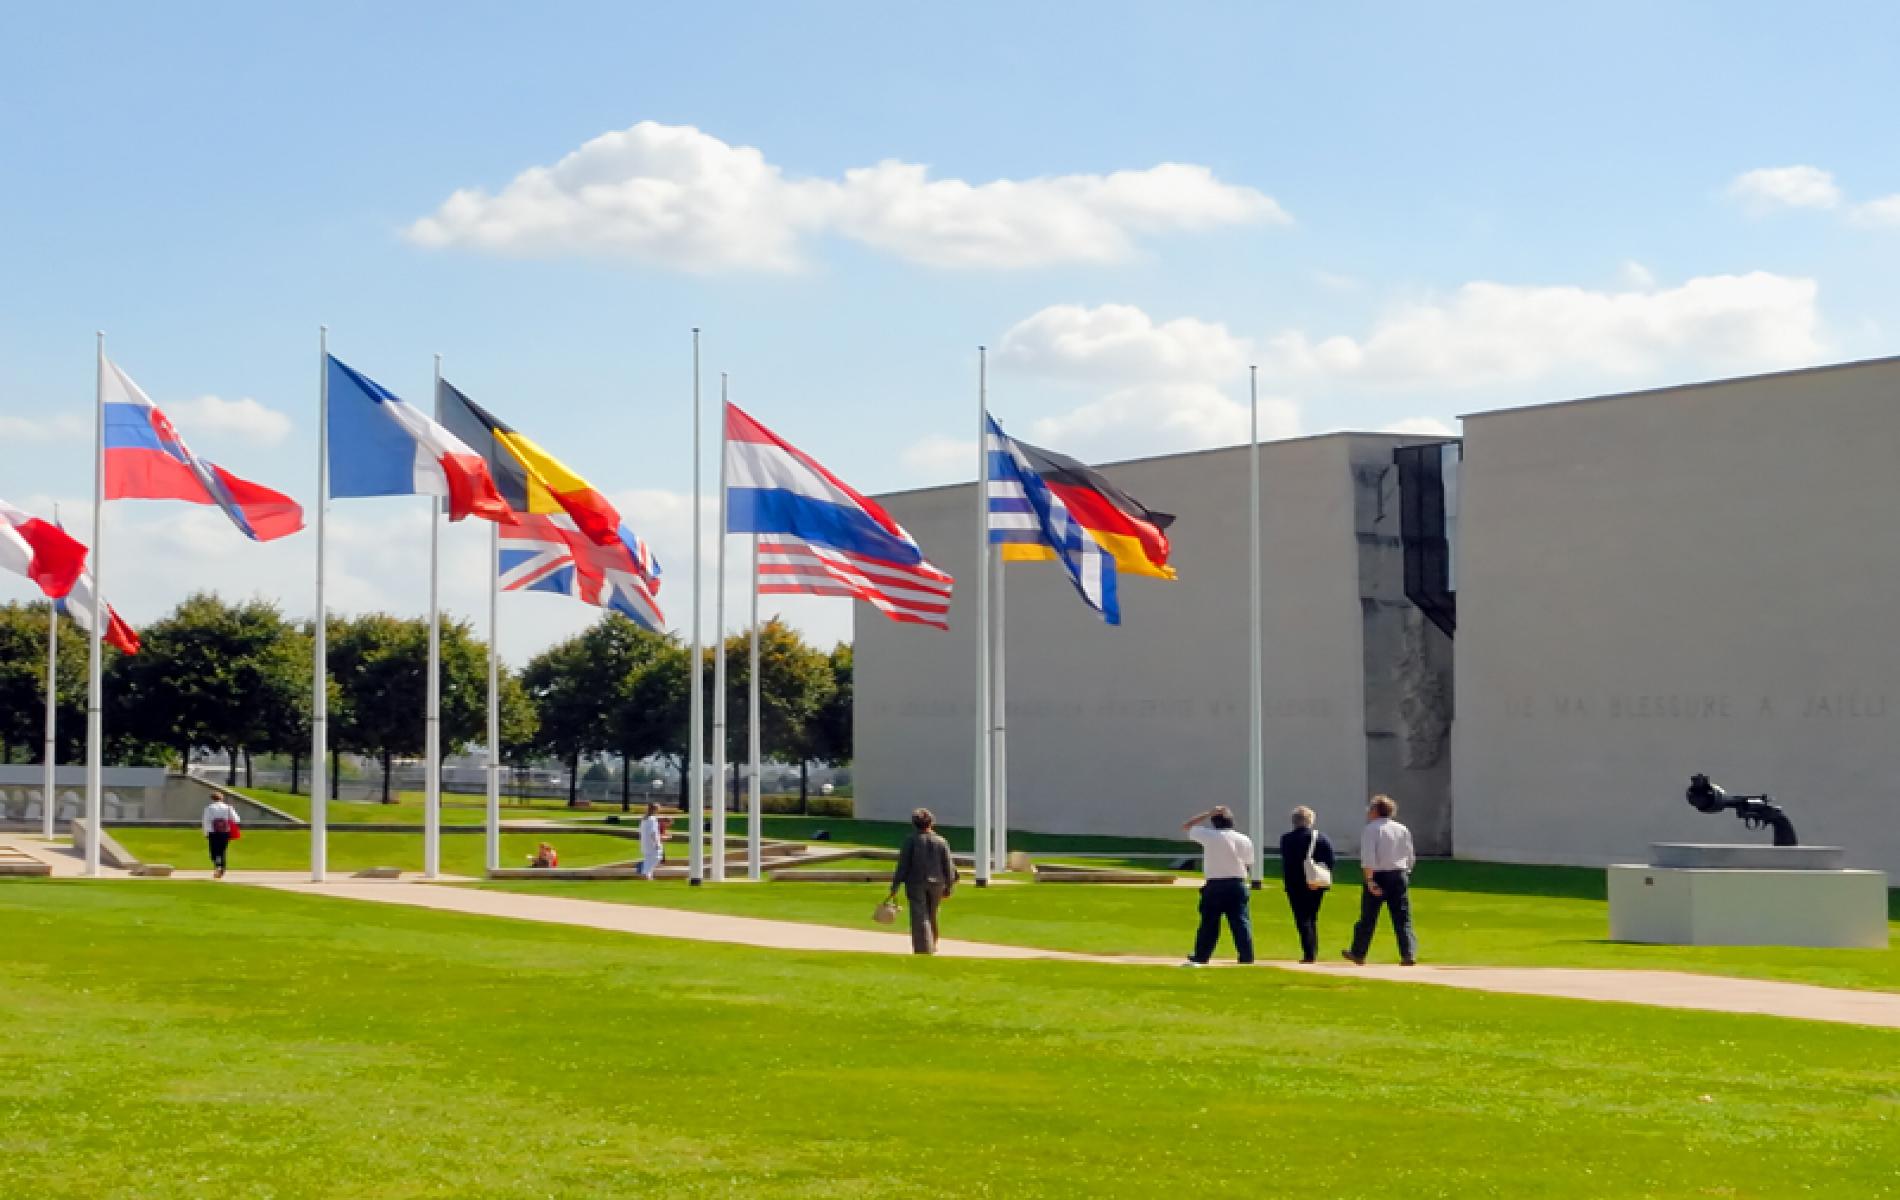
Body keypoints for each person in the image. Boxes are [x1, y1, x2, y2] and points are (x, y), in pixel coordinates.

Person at [1344, 794, 1418, 966]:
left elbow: (1368, 857)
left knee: (1368, 917)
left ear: (1376, 811)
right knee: (1402, 917)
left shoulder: (1371, 829)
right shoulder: (1401, 829)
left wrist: (1370, 880)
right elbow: (1409, 855)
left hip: (1379, 874)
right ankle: (1408, 953)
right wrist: (1405, 871)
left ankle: (1358, 952)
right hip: (1399, 874)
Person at [1182, 805, 1256, 966]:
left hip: (1215, 884)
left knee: (1209, 923)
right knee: (1240, 922)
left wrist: (1208, 813)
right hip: (1237, 883)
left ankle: (1202, 955)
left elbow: (1187, 826)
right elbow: (1249, 863)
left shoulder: (1209, 836)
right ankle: (1246, 956)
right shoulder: (1243, 839)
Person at [887, 808, 958, 954]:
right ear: (931, 822)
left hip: (916, 882)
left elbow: (903, 865)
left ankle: (924, 947)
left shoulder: (911, 841)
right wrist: (949, 886)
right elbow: (948, 865)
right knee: (931, 914)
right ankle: (933, 942)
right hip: (937, 882)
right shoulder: (941, 841)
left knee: (919, 915)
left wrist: (895, 886)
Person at [1279, 806, 1336, 963]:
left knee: (1302, 918)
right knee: (1312, 916)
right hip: (1316, 882)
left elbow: (1288, 862)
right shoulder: (1321, 838)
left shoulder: (1286, 839)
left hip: (1295, 883)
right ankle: (1312, 950)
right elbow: (1330, 860)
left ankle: (1309, 952)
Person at [201, 790, 241, 879]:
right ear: (222, 798)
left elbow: (206, 821)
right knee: (222, 851)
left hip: (213, 832)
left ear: (212, 799)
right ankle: (222, 868)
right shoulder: (228, 807)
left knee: (214, 851)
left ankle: (217, 866)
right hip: (225, 832)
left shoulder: (209, 808)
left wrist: (206, 832)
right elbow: (236, 819)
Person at [638, 803, 664, 880]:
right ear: (655, 809)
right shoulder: (652, 819)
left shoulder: (644, 819)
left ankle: (648, 875)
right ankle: (646, 873)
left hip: (645, 842)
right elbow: (653, 832)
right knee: (657, 857)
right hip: (651, 842)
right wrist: (656, 843)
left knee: (648, 859)